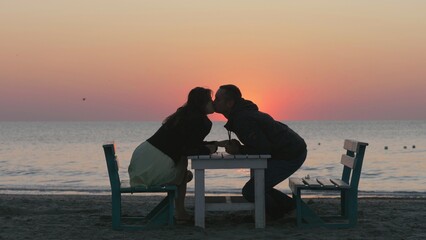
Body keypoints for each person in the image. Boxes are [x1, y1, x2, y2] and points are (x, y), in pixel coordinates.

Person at [214, 84, 307, 220]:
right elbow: (259, 145)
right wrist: (239, 147)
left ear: (229, 103)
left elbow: (262, 149)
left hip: (290, 154)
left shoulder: (242, 119)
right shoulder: (241, 115)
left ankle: (284, 212)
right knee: (258, 186)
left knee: (251, 190)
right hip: (287, 150)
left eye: (217, 99)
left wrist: (239, 149)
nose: (213, 102)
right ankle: (288, 209)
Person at [128, 87, 217, 222]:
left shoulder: (183, 116)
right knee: (184, 170)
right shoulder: (200, 122)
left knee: (183, 170)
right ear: (201, 103)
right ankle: (180, 212)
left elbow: (188, 143)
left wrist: (217, 143)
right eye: (210, 100)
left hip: (143, 158)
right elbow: (188, 150)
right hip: (153, 165)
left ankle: (180, 211)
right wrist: (210, 150)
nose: (213, 102)